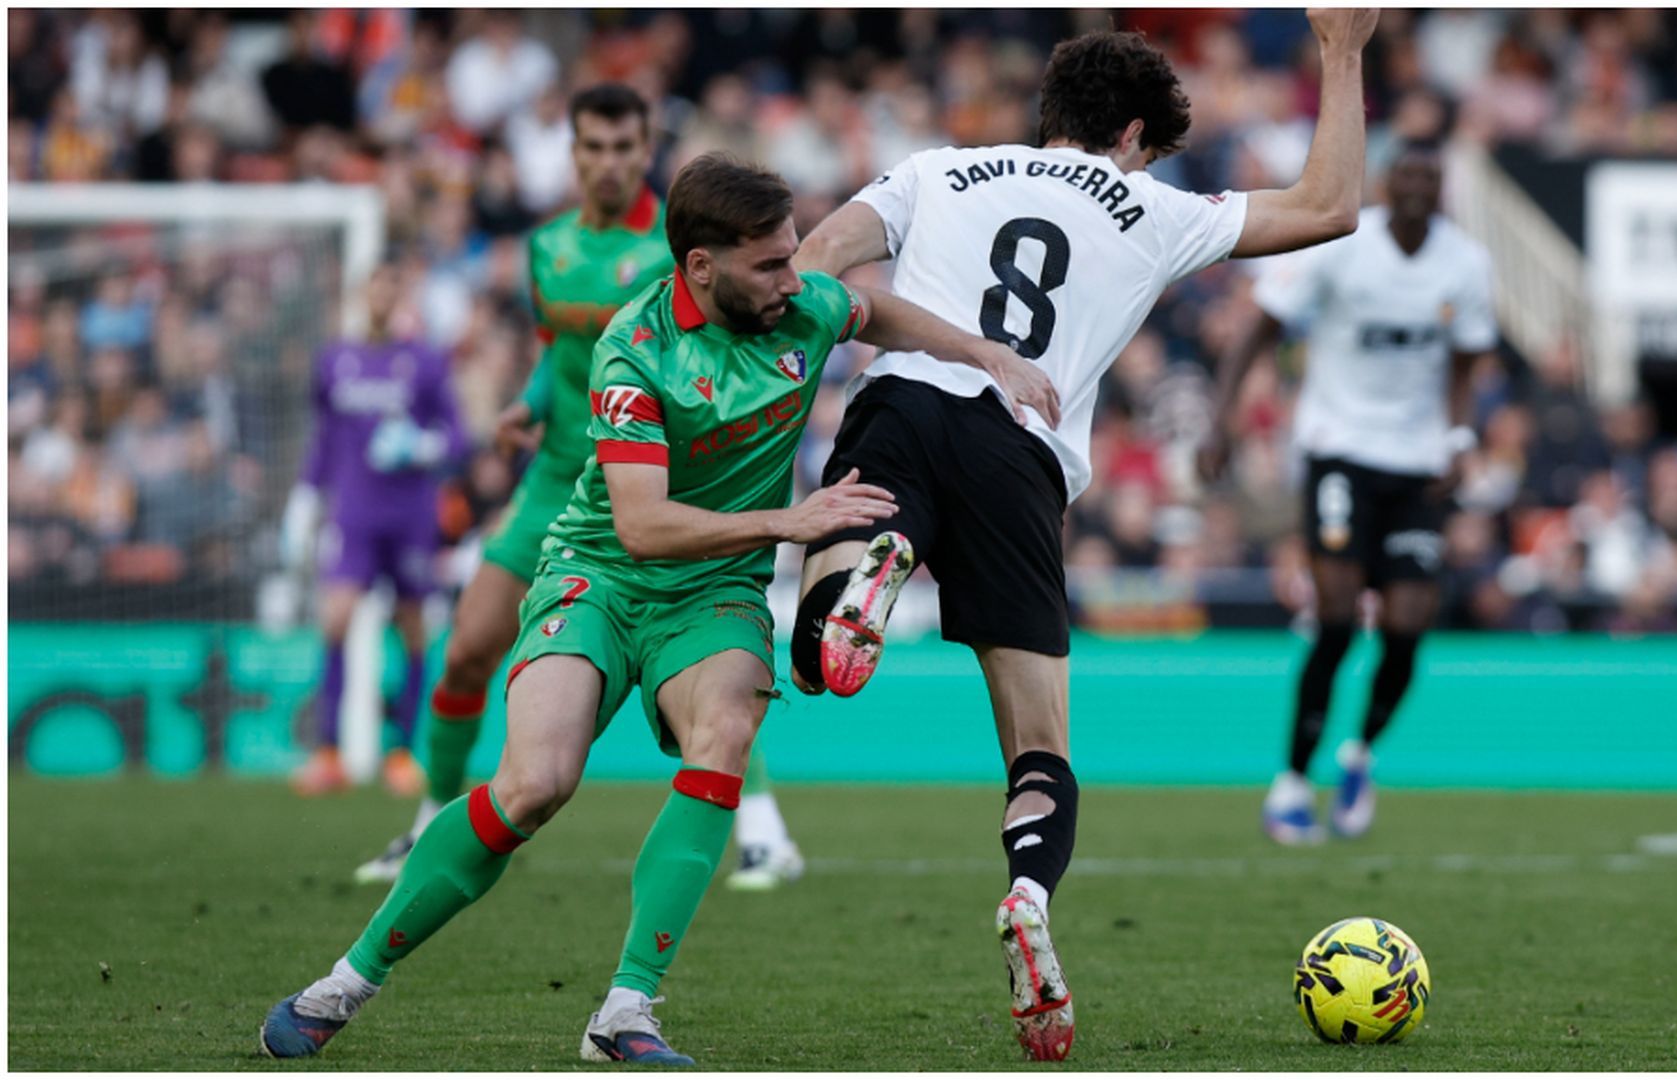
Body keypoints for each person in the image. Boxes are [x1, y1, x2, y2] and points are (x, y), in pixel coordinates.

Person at [259, 152, 1049, 1065]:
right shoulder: (635, 349)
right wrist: (789, 522)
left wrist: (985, 353)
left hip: (716, 593)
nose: (795, 279)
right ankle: (346, 981)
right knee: (533, 786)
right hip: (599, 576)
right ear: (701, 268)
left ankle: (626, 1010)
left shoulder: (805, 307)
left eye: (795, 257)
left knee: (726, 732)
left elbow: (876, 311)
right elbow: (640, 526)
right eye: (771, 264)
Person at [787, 10, 1378, 1061]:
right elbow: (1332, 207)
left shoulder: (937, 171)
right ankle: (1026, 894)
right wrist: (1341, 48)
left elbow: (814, 268)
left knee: (820, 631)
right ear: (1135, 134)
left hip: (906, 401)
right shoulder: (1153, 207)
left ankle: (869, 574)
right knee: (1041, 747)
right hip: (1022, 450)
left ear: (1049, 112)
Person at [353, 84, 804, 892]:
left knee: (704, 660)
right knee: (465, 649)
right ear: (574, 153)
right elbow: (558, 357)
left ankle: (763, 829)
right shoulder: (548, 247)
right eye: (592, 147)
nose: (608, 162)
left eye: (624, 147)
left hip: (643, 479)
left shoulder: (680, 253)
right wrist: (525, 408)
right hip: (555, 481)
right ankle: (426, 818)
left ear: (644, 151)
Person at [1198, 140, 1498, 844]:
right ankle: (1294, 779)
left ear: (1443, 185)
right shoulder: (1341, 245)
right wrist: (1223, 420)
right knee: (1335, 618)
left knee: (1407, 625)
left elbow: (1464, 363)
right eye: (1408, 173)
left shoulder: (1466, 263)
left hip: (1418, 463)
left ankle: (1359, 754)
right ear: (1387, 181)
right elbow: (1259, 329)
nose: (1419, 185)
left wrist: (1458, 439)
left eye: (1431, 174)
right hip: (1339, 450)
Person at [281, 262, 465, 797]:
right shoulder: (336, 360)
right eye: (376, 286)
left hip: (409, 518)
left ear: (401, 293)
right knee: (335, 619)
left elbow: (457, 437)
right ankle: (328, 753)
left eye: (393, 286)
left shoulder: (425, 363)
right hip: (355, 516)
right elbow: (325, 438)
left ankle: (402, 753)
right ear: (364, 294)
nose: (384, 296)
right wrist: (304, 497)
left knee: (411, 629)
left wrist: (423, 445)